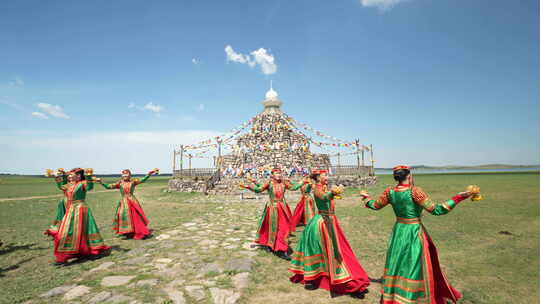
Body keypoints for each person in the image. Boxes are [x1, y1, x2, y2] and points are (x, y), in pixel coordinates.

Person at [360, 165, 471, 304]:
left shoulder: (390, 192)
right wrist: (458, 197)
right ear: (409, 176)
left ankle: (394, 297)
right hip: (413, 232)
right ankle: (410, 298)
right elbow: (437, 210)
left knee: (398, 265)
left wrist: (365, 199)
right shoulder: (415, 191)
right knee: (413, 266)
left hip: (399, 231)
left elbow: (375, 205)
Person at [289, 170, 370, 296]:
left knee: (338, 250)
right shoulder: (317, 188)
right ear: (317, 178)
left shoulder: (324, 187)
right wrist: (335, 191)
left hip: (331, 221)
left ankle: (344, 277)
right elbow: (324, 197)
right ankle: (317, 278)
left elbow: (329, 197)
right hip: (323, 223)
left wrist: (334, 192)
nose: (326, 177)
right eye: (324, 175)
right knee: (327, 250)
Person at [46, 168, 110, 265]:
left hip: (81, 209)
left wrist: (88, 175)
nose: (70, 177)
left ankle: (90, 251)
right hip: (71, 210)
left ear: (78, 176)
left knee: (83, 231)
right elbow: (61, 187)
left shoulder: (82, 183)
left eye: (72, 175)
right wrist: (57, 177)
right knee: (66, 231)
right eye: (69, 175)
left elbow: (90, 186)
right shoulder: (69, 185)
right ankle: (64, 255)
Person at [240, 168, 304, 260]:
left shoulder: (284, 182)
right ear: (272, 175)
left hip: (282, 208)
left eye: (280, 173)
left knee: (284, 228)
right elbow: (259, 189)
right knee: (272, 228)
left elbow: (293, 187)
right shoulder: (269, 183)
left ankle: (282, 249)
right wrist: (248, 187)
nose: (279, 175)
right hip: (272, 208)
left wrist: (302, 182)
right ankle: (274, 246)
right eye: (276, 173)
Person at [97, 169, 158, 240]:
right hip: (124, 203)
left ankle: (138, 231)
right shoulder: (120, 183)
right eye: (124, 175)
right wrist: (101, 182)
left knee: (135, 216)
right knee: (124, 217)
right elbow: (108, 186)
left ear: (130, 175)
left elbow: (142, 180)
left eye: (127, 175)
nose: (125, 176)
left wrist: (149, 174)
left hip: (132, 201)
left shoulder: (133, 182)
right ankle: (128, 232)